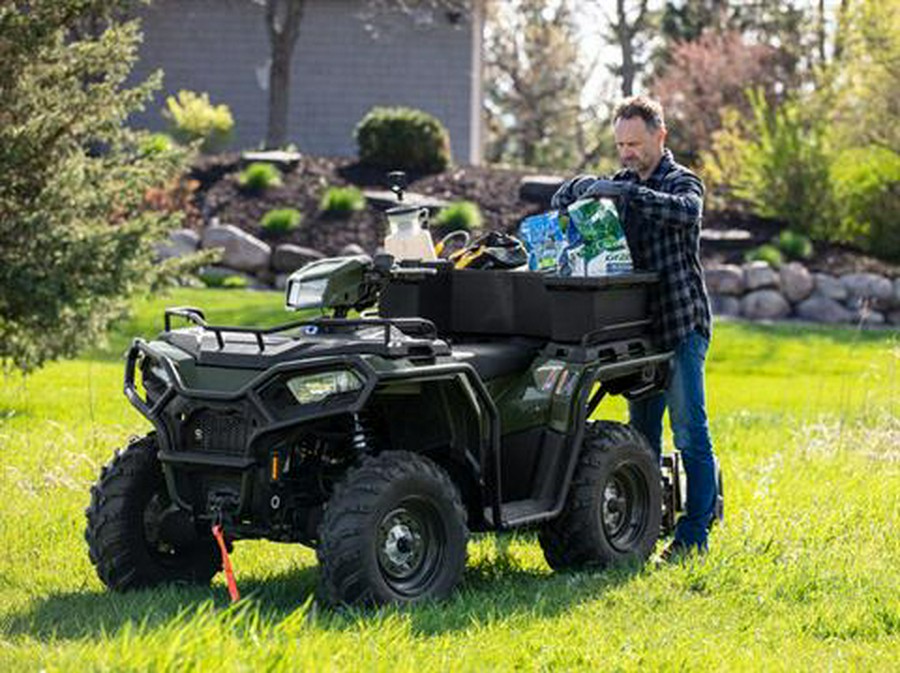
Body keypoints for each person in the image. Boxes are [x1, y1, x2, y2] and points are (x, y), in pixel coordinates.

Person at [551, 95, 716, 557]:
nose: (627, 153)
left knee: (689, 433)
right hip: (638, 330)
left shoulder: (683, 182)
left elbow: (686, 213)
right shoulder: (618, 182)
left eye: (635, 143)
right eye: (621, 144)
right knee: (641, 436)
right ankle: (644, 525)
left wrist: (633, 195)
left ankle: (694, 535)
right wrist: (579, 188)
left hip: (681, 324)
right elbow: (560, 203)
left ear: (660, 137)